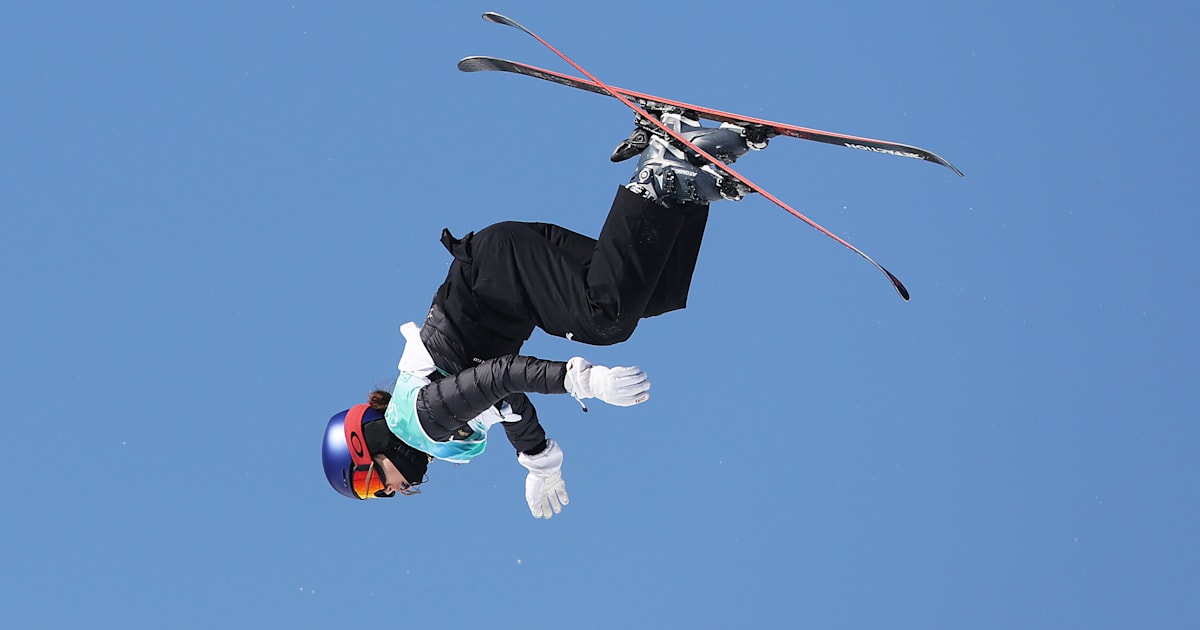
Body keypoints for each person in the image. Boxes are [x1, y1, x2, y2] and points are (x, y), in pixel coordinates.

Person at [321, 113, 762, 518]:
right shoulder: (442, 420)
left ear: (370, 442)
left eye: (368, 483)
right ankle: (686, 170)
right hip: (505, 266)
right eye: (370, 496)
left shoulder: (423, 417)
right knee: (654, 294)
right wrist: (539, 463)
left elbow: (501, 376)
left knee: (604, 317)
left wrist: (583, 381)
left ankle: (662, 174)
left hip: (503, 275)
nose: (387, 492)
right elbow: (508, 403)